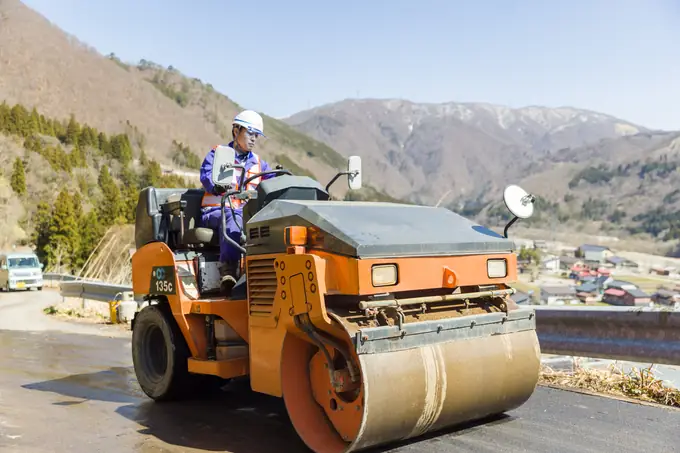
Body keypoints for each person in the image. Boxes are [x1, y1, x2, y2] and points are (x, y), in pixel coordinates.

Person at [199, 110, 275, 294]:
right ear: (236, 131)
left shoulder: (259, 163)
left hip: (243, 213)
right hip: (216, 211)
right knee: (233, 218)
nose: (254, 139)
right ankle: (229, 271)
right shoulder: (217, 155)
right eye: (250, 133)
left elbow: (272, 181)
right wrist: (217, 185)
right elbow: (206, 175)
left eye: (256, 135)